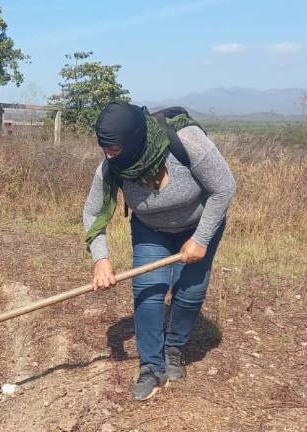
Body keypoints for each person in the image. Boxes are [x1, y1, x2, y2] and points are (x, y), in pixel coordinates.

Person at [83, 102, 235, 401]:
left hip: (199, 225)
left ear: (134, 140)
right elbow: (92, 212)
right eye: (104, 149)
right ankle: (151, 366)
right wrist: (101, 259)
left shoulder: (187, 142)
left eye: (114, 149)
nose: (108, 155)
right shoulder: (112, 166)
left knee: (190, 292)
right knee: (148, 291)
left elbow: (224, 187)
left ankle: (173, 348)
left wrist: (201, 238)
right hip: (150, 229)